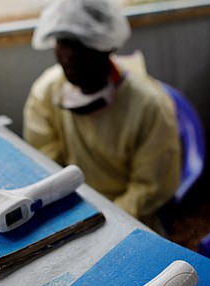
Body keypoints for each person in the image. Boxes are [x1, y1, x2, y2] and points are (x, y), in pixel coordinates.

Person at [23, 0, 181, 232]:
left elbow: (148, 188)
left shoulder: (149, 106)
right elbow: (46, 168)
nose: (68, 56)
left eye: (81, 44)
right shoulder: (45, 93)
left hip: (128, 222)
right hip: (66, 211)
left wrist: (103, 225)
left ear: (107, 46)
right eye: (62, 42)